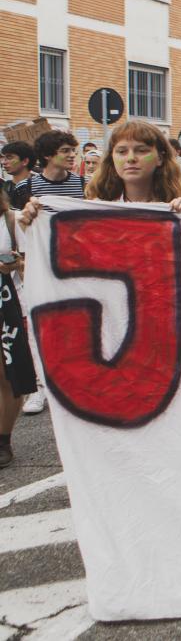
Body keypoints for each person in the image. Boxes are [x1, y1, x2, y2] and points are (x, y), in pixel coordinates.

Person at [82, 120, 181, 212]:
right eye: (122, 152)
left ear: (160, 158)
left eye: (141, 150)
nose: (131, 158)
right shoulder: (98, 208)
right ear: (112, 158)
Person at [0, 186, 37, 465]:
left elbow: (33, 263)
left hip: (9, 307)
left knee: (7, 377)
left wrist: (16, 264)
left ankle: (3, 440)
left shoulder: (12, 221)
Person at [1, 141, 35, 207]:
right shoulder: (4, 187)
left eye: (9, 157)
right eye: (4, 158)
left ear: (25, 161)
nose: (3, 162)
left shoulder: (39, 185)